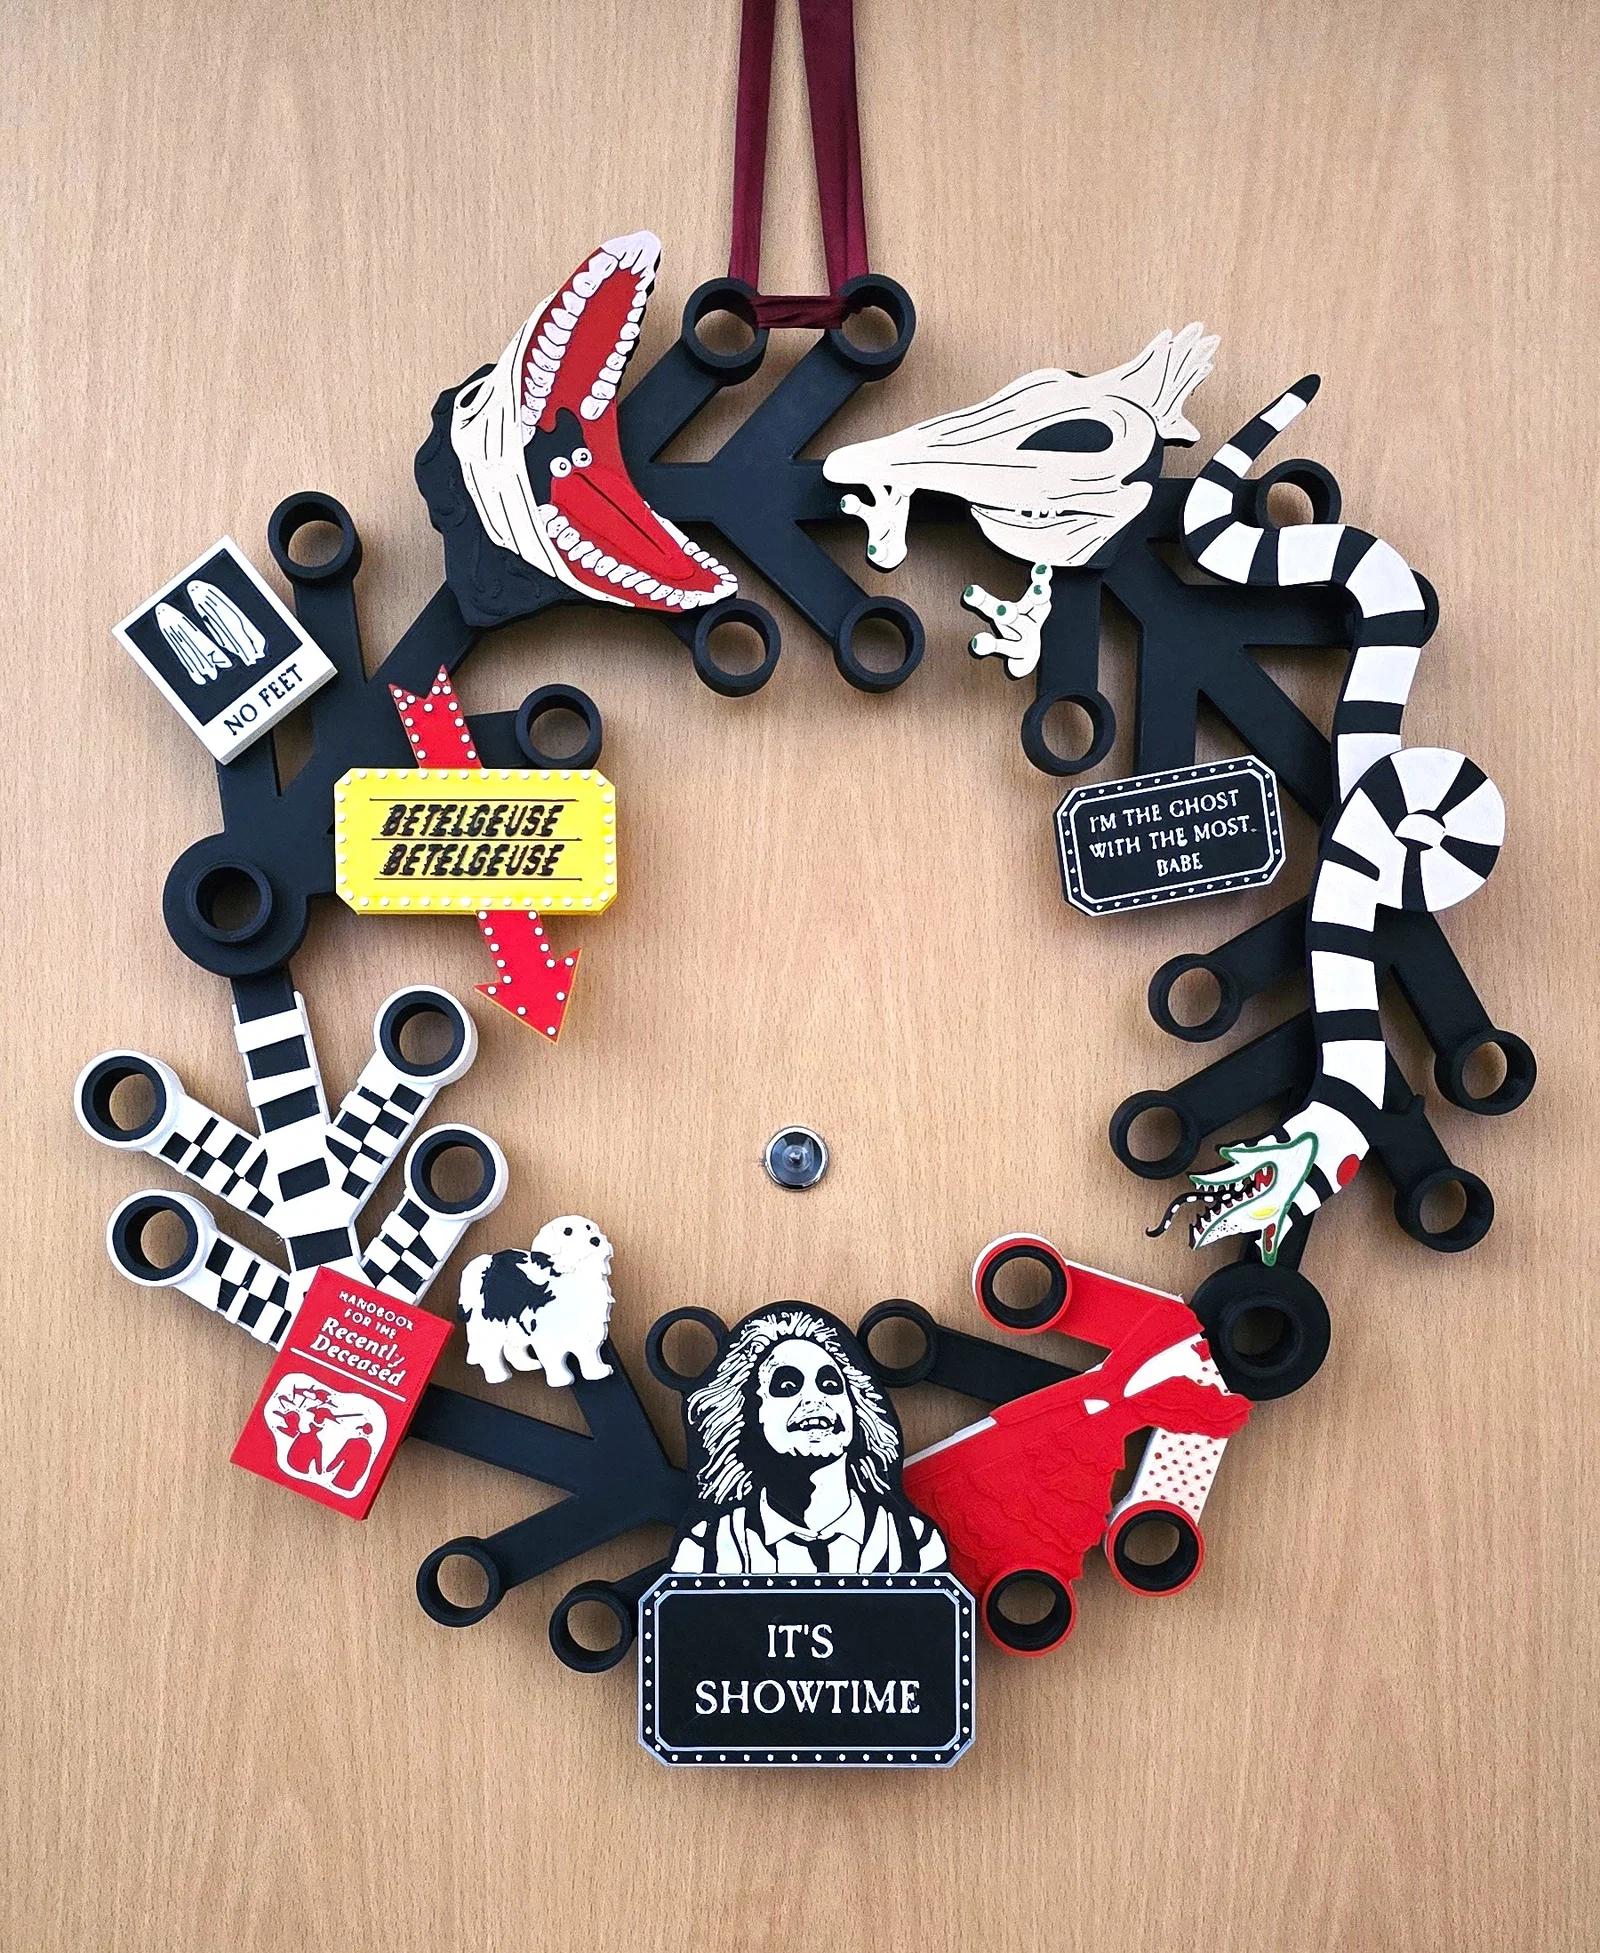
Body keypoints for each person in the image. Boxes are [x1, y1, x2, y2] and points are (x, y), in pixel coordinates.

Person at [670, 1304, 946, 1574]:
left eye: (830, 1385)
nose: (814, 1399)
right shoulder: (706, 1550)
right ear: (748, 1413)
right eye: (787, 1386)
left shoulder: (915, 1546)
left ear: (856, 1409)